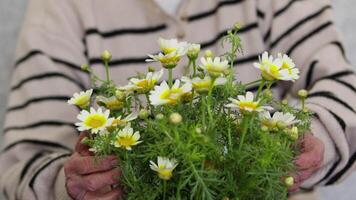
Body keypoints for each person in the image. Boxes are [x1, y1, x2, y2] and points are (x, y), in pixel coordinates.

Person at [0, 0, 355, 199]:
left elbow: (344, 90)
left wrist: (315, 141)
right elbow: (19, 166)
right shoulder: (61, 7)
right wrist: (70, 185)